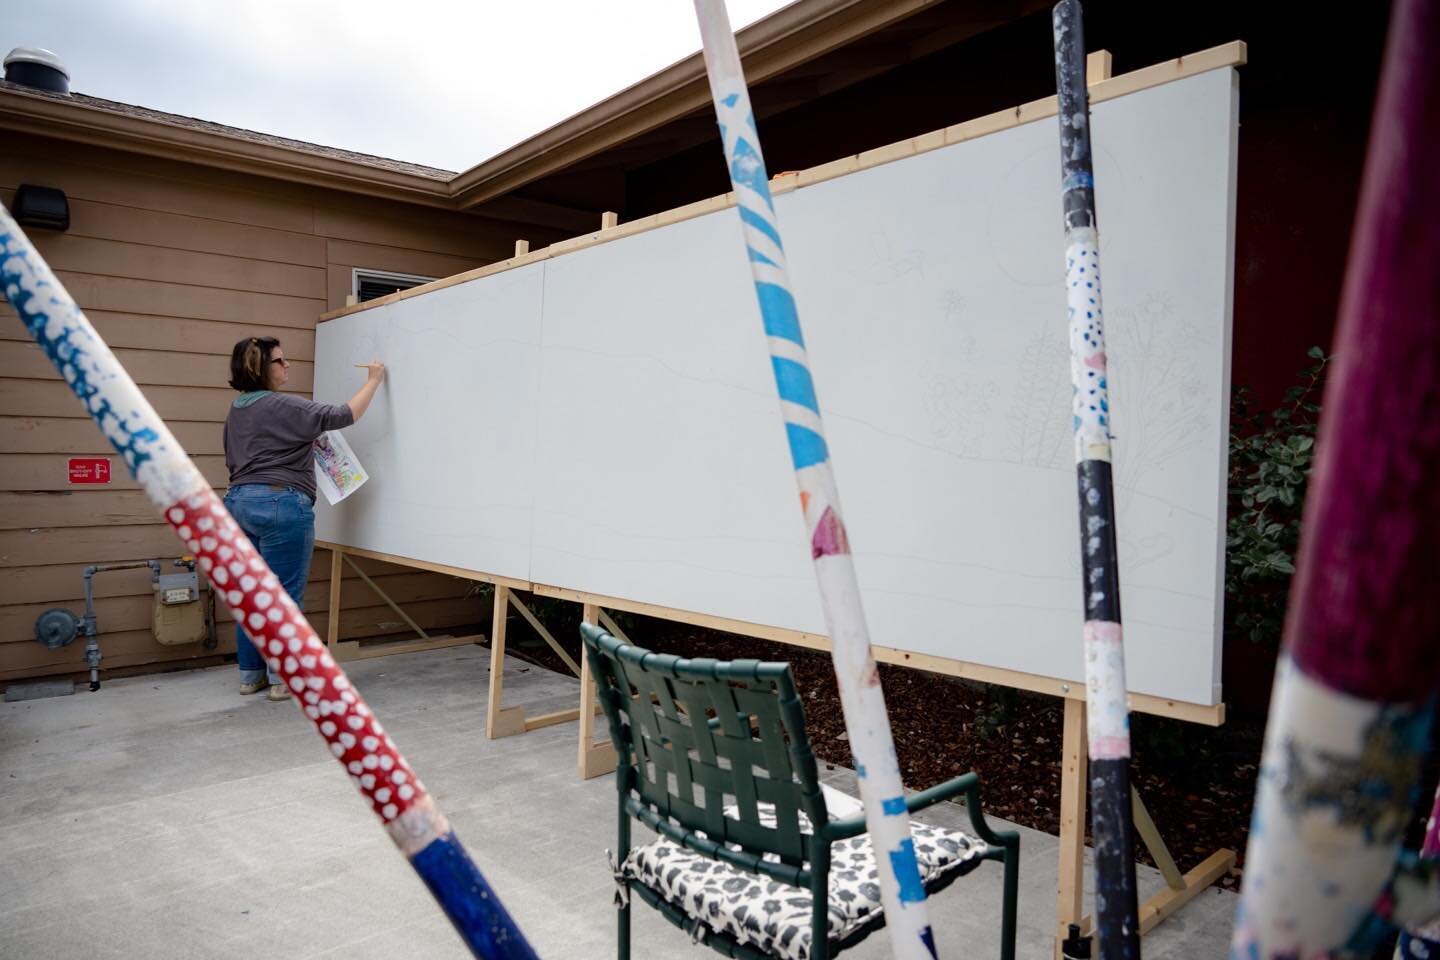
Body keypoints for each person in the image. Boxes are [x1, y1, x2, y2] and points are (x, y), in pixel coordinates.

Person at [222, 336, 384, 700]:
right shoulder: (283, 405)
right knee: (283, 598)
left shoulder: (238, 408)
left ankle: (251, 676)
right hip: (281, 504)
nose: (288, 365)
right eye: (280, 361)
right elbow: (345, 415)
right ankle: (283, 681)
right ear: (261, 368)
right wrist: (373, 380)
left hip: (238, 503)